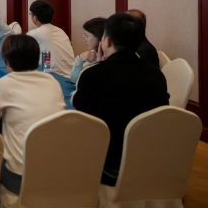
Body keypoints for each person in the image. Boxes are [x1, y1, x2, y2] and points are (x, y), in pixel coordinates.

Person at [72, 13, 170, 186]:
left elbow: (80, 112)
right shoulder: (156, 73)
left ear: (107, 41)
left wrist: (98, 66)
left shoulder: (94, 75)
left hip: (111, 168)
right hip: (151, 163)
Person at [0, 34, 66, 195]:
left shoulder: (6, 84)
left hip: (19, 177)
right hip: (56, 171)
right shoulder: (52, 82)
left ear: (8, 61)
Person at [26, 0, 76, 78]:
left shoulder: (33, 34)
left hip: (54, 76)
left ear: (35, 18)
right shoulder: (60, 31)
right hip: (71, 75)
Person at [70, 17, 106, 83]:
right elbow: (74, 79)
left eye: (87, 36)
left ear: (100, 36)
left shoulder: (106, 58)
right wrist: (79, 59)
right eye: (84, 36)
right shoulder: (93, 53)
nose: (85, 39)